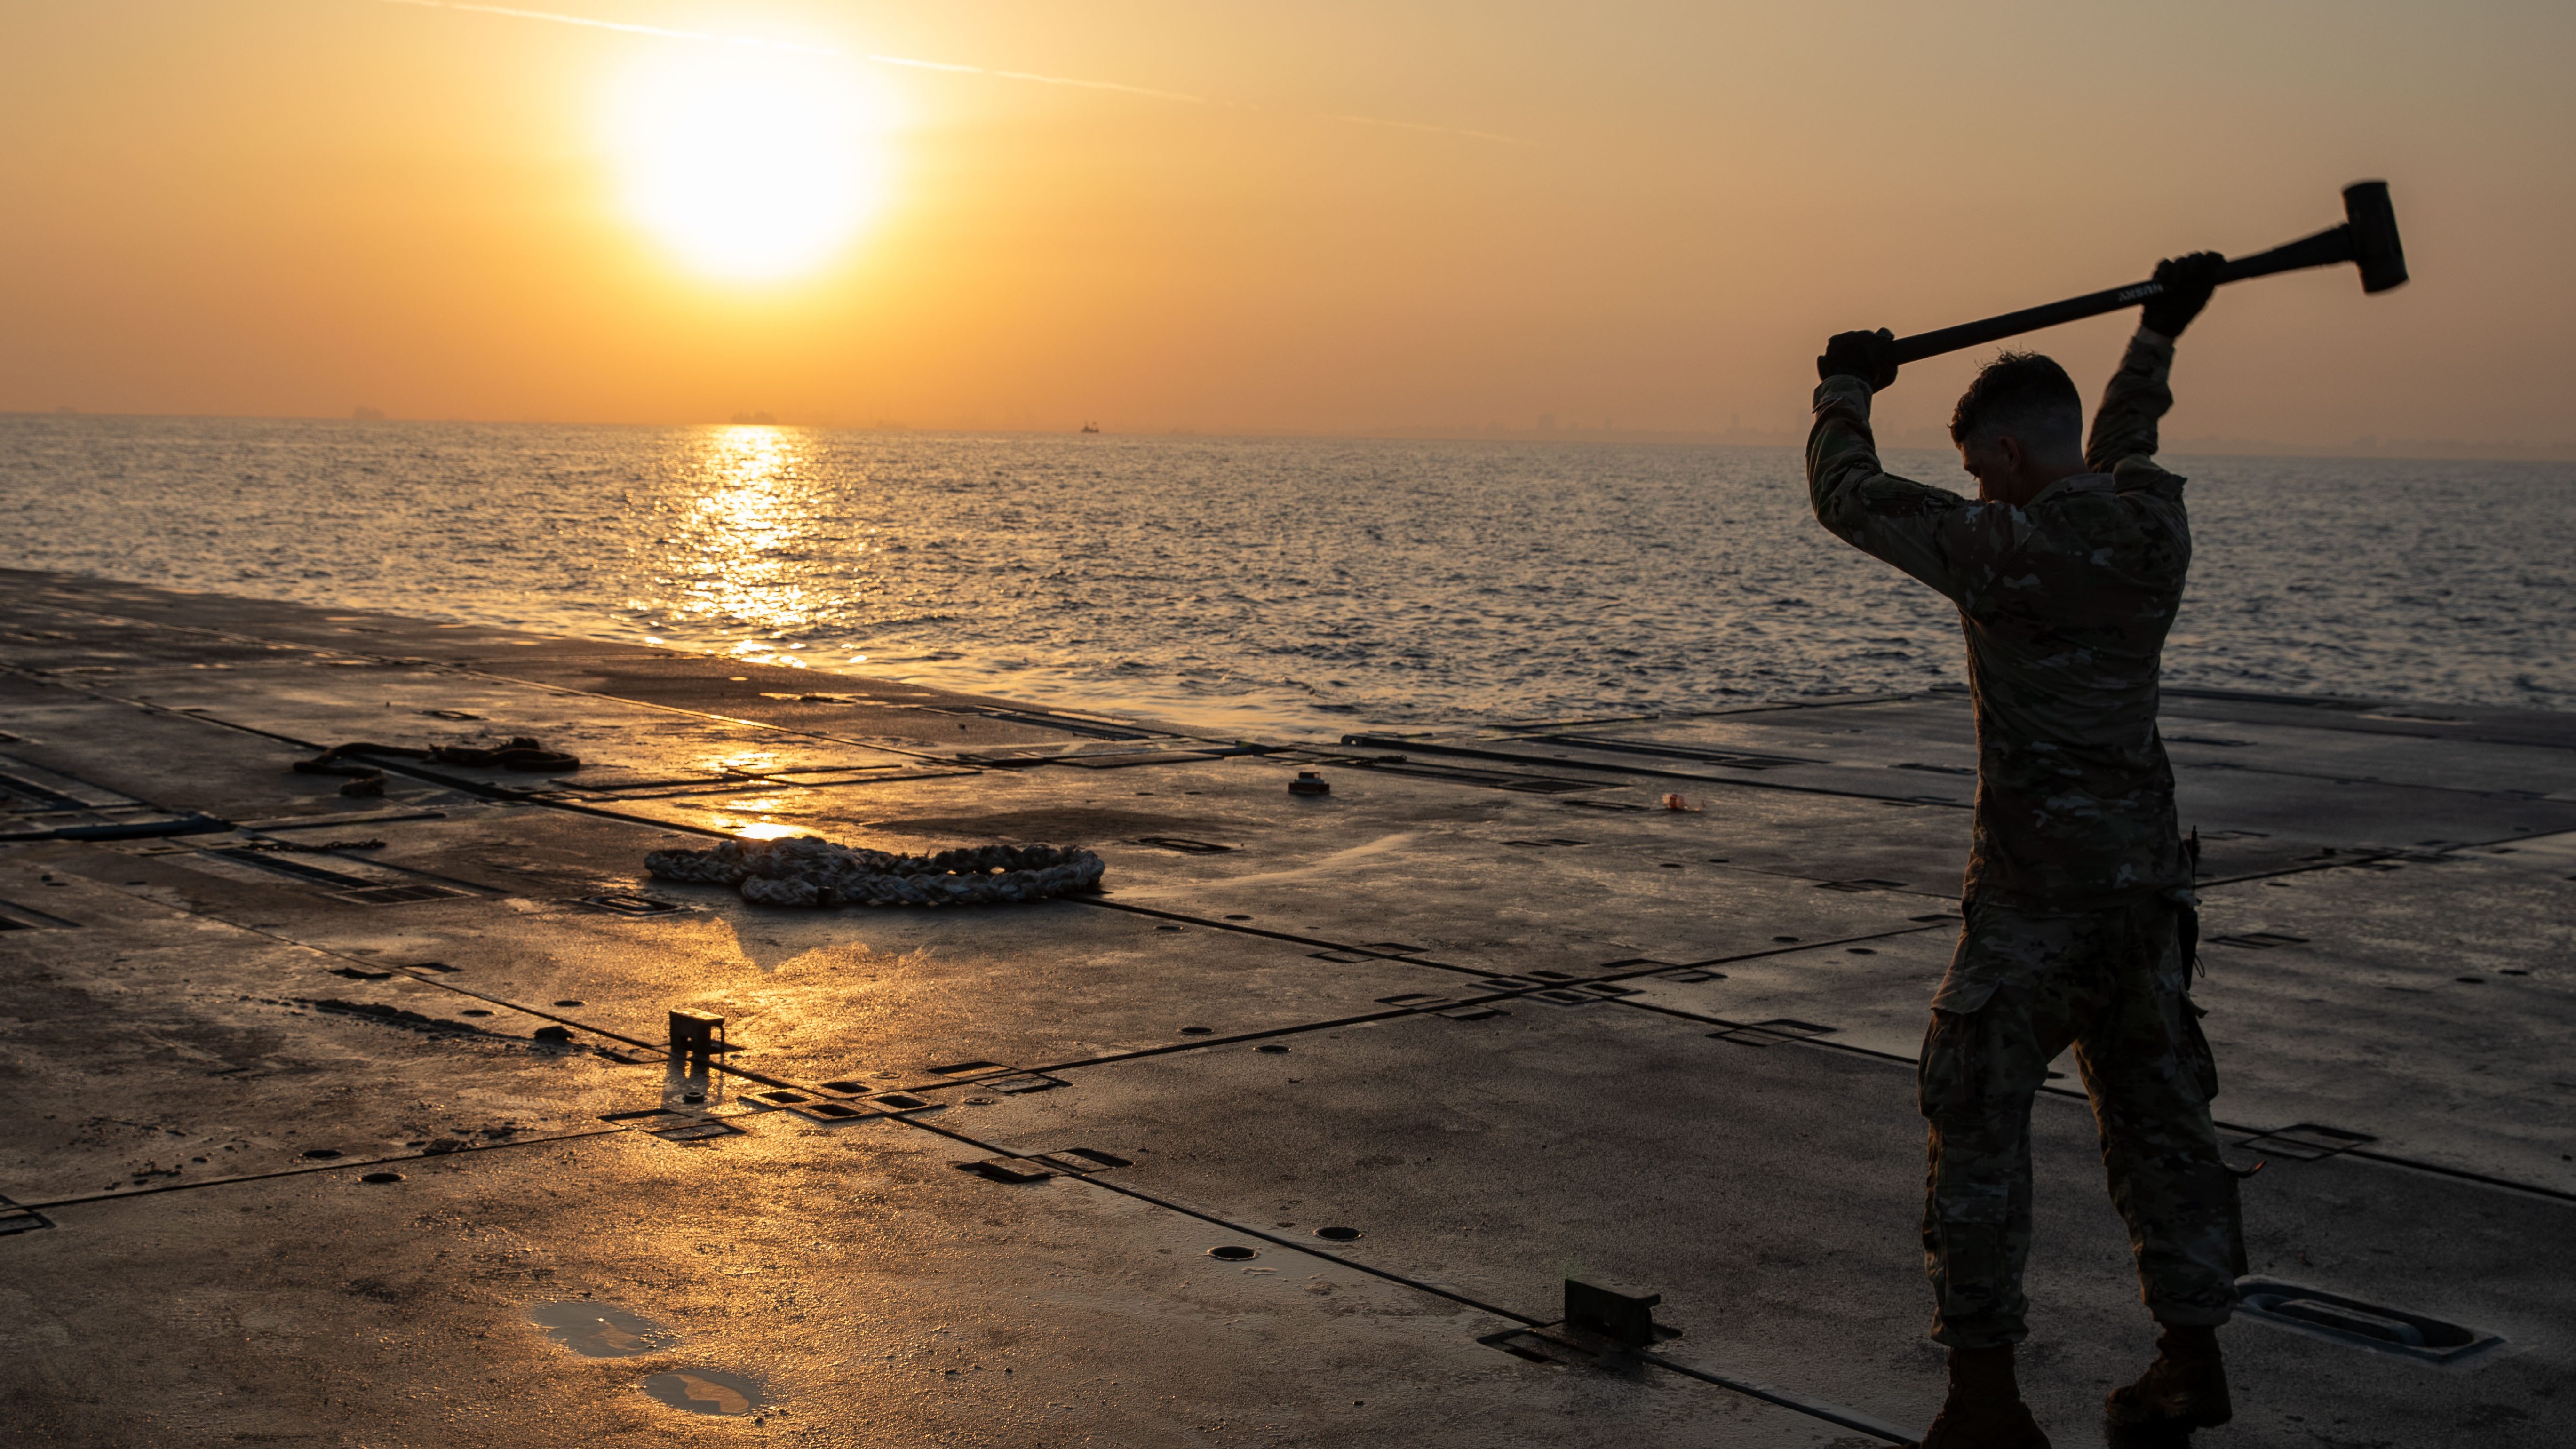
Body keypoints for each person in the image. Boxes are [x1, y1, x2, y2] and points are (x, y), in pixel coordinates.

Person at [1804, 254, 2244, 1449]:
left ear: (1999, 461)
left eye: (1973, 471)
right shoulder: (2152, 527)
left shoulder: (2000, 551)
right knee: (2159, 1122)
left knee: (1978, 1127)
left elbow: (1845, 496)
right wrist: (2159, 330)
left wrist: (1844, 388)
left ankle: (1985, 1398)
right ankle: (2188, 1359)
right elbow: (2125, 434)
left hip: (2033, 907)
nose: (1972, 490)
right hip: (2143, 900)